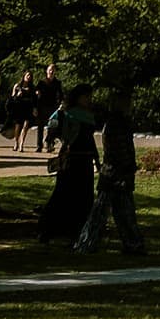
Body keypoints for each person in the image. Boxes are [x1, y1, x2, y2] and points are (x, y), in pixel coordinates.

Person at [75, 90, 144, 255]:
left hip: (113, 173)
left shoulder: (115, 123)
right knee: (107, 212)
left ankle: (131, 243)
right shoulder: (118, 124)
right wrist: (128, 166)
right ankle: (88, 243)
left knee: (118, 211)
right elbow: (121, 149)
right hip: (116, 174)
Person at [37, 84, 97, 245]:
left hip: (85, 160)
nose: (89, 99)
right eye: (86, 96)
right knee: (63, 194)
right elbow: (54, 128)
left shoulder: (89, 115)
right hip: (71, 159)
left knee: (84, 197)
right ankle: (48, 230)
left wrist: (96, 160)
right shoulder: (67, 114)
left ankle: (77, 231)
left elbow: (90, 140)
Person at [33, 64, 62, 154]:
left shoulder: (57, 83)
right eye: (50, 70)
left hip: (53, 107)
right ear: (47, 71)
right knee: (40, 127)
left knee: (52, 127)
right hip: (42, 106)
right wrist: (35, 107)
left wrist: (60, 104)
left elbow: (60, 94)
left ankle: (49, 144)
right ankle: (39, 146)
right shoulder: (42, 82)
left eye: (53, 70)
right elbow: (36, 94)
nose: (51, 71)